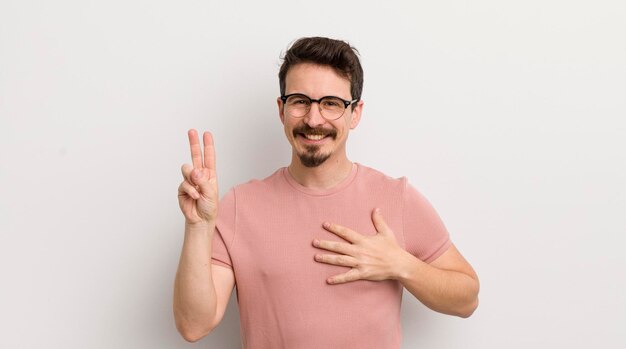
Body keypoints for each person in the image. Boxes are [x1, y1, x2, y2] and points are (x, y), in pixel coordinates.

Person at [173, 37, 479, 348]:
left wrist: (400, 264)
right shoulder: (240, 205)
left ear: (355, 113)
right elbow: (193, 325)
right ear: (282, 110)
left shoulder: (395, 198)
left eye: (331, 103)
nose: (313, 119)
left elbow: (466, 298)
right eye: (300, 101)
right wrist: (198, 227)